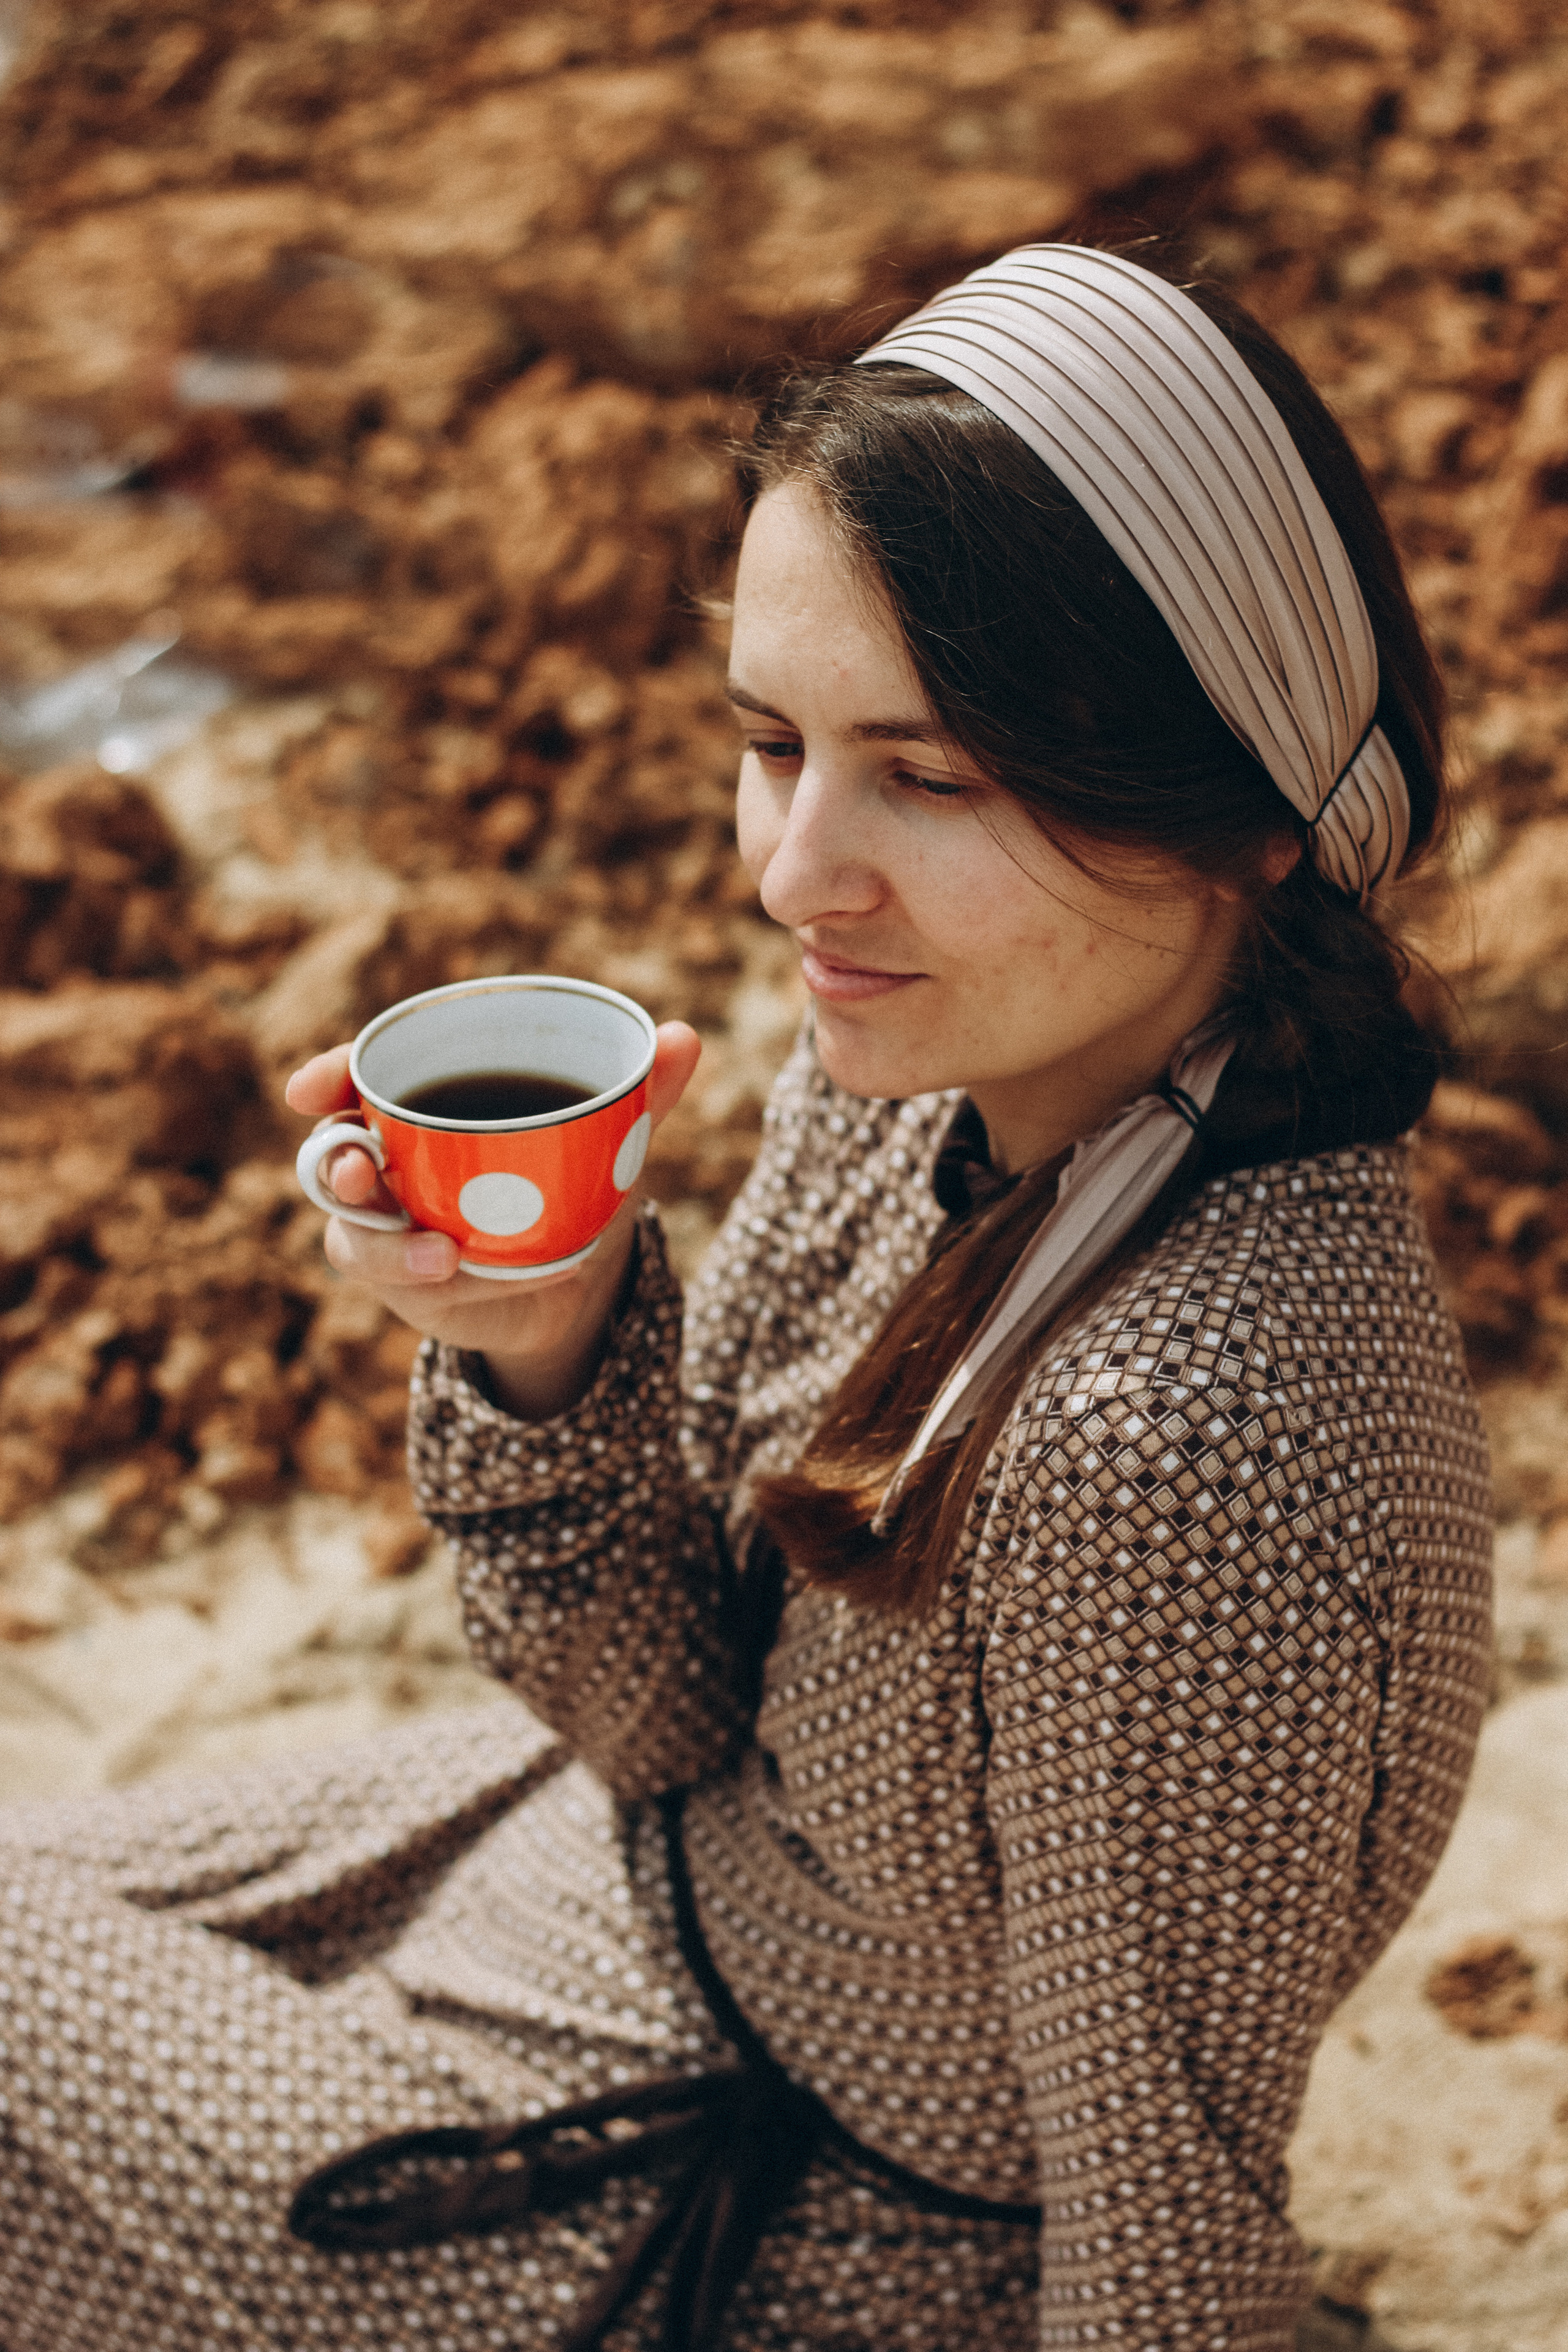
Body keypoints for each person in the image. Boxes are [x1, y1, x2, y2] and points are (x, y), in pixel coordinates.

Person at [0, 245, 1492, 2352]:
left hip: (723, 2199)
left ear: (1243, 818)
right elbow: (656, 1713)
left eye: (935, 775)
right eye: (773, 740)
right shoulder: (942, 1067)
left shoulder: (1178, 1454)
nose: (795, 875)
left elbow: (1172, 2232)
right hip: (603, 1869)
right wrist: (546, 1335)